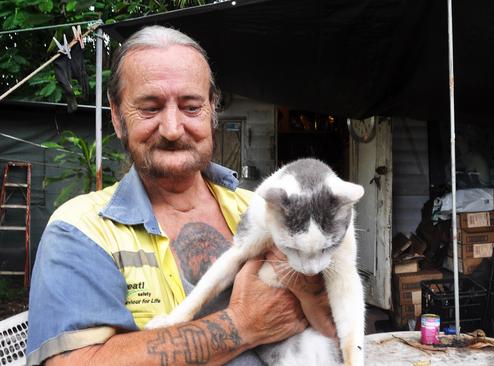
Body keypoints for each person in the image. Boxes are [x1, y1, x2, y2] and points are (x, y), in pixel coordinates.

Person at [26, 25, 335, 366]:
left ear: (212, 110)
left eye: (190, 107)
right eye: (150, 108)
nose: (173, 129)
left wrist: (312, 290)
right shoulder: (81, 230)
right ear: (116, 117)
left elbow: (331, 328)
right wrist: (242, 325)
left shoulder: (261, 210)